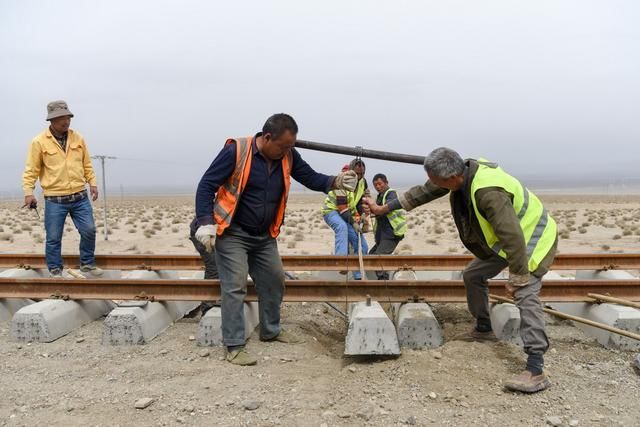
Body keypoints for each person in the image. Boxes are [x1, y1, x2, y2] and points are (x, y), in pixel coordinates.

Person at [365, 147, 557, 393]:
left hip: (532, 242)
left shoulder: (488, 193)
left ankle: (536, 367)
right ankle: (484, 327)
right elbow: (424, 192)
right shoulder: (459, 174)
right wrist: (384, 209)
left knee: (525, 293)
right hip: (506, 244)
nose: (434, 185)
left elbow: (513, 236)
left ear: (451, 178)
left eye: (437, 181)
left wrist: (518, 276)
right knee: (473, 275)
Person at [194, 113, 357, 366]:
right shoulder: (237, 151)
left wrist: (335, 182)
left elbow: (311, 178)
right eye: (282, 146)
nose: (286, 151)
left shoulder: (289, 154)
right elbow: (206, 185)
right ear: (267, 138)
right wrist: (205, 221)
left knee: (274, 280)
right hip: (233, 232)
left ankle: (270, 330)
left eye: (290, 146)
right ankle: (234, 345)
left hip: (264, 234)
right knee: (235, 285)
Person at [22, 100, 102, 278]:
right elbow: (31, 170)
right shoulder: (39, 142)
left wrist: (92, 183)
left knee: (89, 230)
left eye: (68, 117)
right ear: (51, 120)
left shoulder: (78, 138)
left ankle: (88, 264)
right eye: (61, 118)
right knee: (53, 238)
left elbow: (86, 164)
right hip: (55, 199)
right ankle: (55, 270)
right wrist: (29, 193)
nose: (66, 121)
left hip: (80, 196)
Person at [321, 164, 366, 279]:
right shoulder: (341, 185)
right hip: (332, 211)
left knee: (361, 244)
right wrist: (354, 223)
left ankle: (358, 276)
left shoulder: (358, 185)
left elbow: (357, 202)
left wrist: (361, 215)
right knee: (342, 227)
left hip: (346, 214)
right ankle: (340, 262)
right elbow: (343, 209)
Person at [368, 173, 407, 280]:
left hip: (391, 233)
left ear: (386, 183)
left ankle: (384, 282)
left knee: (379, 256)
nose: (378, 187)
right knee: (371, 255)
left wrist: (375, 209)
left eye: (380, 184)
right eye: (375, 185)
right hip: (382, 233)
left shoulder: (391, 194)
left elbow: (386, 209)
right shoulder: (380, 196)